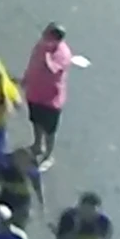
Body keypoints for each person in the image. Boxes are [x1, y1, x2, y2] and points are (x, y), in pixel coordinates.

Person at [21, 23, 85, 164]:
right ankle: (37, 145)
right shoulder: (42, 45)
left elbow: (52, 70)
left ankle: (48, 155)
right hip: (35, 93)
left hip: (50, 100)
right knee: (36, 121)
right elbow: (32, 64)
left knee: (49, 130)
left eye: (47, 34)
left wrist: (46, 56)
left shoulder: (62, 54)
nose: (43, 35)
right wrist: (25, 80)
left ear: (56, 39)